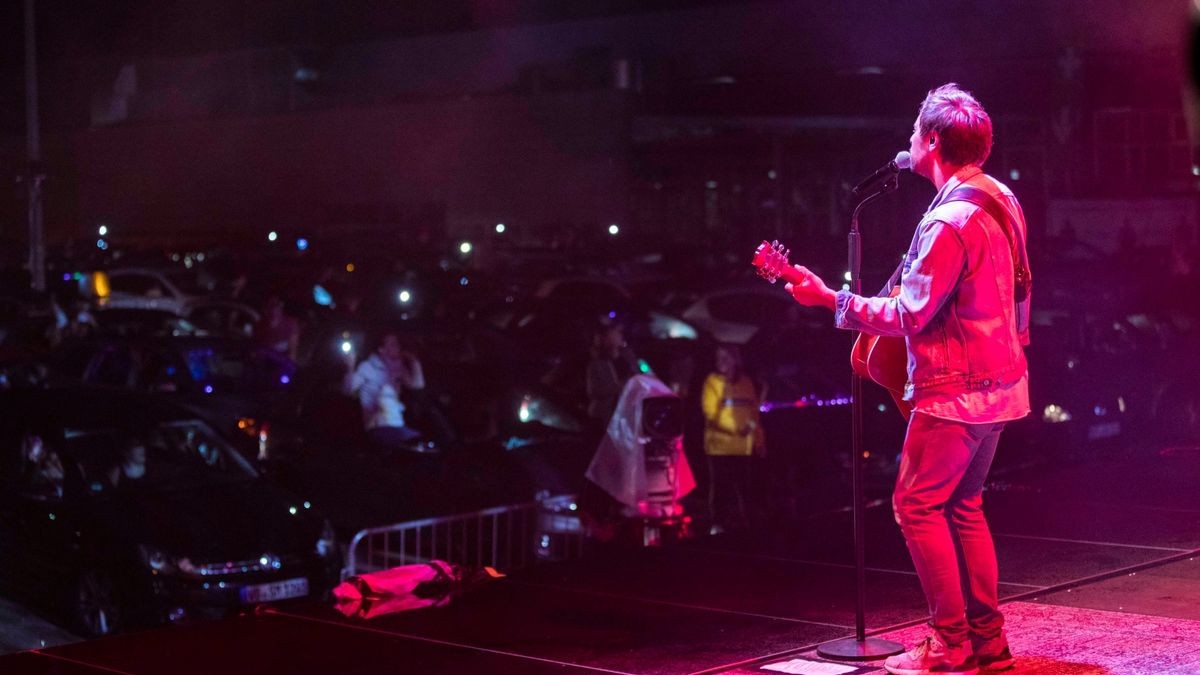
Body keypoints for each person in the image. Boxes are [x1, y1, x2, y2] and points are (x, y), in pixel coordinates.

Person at [784, 84, 1028, 675]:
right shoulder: (1003, 199)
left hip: (956, 390)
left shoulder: (948, 220)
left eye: (914, 133)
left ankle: (950, 645)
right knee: (964, 505)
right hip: (1002, 382)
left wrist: (832, 301)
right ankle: (987, 642)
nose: (908, 143)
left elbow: (910, 314)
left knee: (916, 505)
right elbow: (1019, 293)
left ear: (933, 141)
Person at [700, 344, 765, 534]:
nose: (721, 362)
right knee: (720, 488)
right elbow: (710, 413)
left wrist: (759, 440)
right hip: (720, 448)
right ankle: (718, 524)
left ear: (735, 360)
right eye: (718, 358)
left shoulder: (746, 382)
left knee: (746, 488)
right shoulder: (712, 382)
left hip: (744, 448)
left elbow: (754, 413)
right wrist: (737, 429)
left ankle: (749, 526)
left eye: (725, 358)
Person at [343, 331, 427, 449]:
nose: (397, 346)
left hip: (396, 424)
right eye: (393, 344)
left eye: (397, 343)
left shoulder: (398, 367)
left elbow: (417, 385)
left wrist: (414, 361)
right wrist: (350, 367)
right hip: (377, 426)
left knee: (424, 442)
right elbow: (348, 389)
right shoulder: (368, 366)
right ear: (381, 349)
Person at [585, 322, 640, 426]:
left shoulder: (628, 357)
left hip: (627, 413)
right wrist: (621, 386)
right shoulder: (596, 364)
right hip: (605, 416)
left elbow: (637, 376)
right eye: (616, 333)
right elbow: (593, 390)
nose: (620, 336)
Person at [253, 296, 300, 362]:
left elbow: (292, 351)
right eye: (269, 306)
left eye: (276, 305)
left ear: (281, 307)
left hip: (280, 362)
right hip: (262, 361)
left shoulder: (291, 324)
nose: (273, 310)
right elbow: (256, 346)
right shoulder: (259, 325)